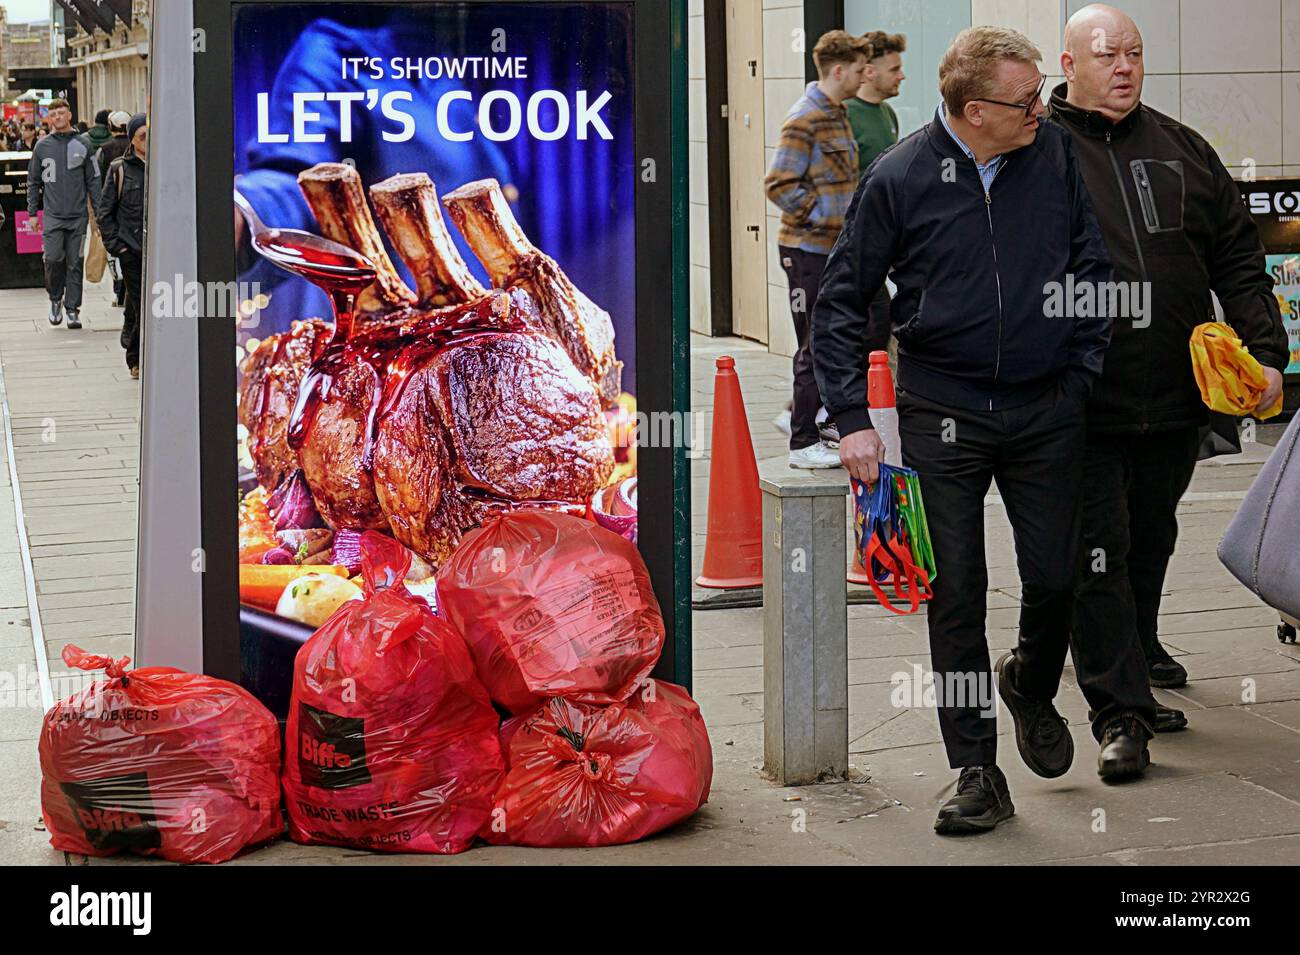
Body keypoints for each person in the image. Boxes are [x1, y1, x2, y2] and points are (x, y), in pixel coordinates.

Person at [815, 26, 1118, 833]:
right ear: (973, 109)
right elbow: (843, 299)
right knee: (956, 596)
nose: (1042, 114)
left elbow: (1092, 263)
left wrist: (1082, 368)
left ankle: (1027, 681)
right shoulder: (901, 176)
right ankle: (976, 767)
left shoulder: (1048, 155)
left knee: (1057, 579)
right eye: (1026, 102)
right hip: (943, 411)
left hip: (1048, 406)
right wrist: (851, 419)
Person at [1049, 6, 1288, 726]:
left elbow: (1241, 260)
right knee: (1101, 541)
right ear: (1069, 66)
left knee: (1153, 529)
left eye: (1135, 53)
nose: (1124, 67)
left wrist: (1268, 355)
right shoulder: (1038, 152)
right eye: (1106, 54)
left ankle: (1137, 640)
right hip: (1082, 394)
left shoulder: (1182, 148)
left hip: (1176, 394)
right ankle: (1121, 705)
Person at [765, 30, 868, 469]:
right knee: (814, 343)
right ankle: (802, 440)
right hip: (807, 250)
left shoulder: (837, 113)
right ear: (839, 70)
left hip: (831, 248)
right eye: (861, 69)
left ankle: (813, 424)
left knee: (829, 338)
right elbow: (778, 184)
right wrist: (823, 214)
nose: (866, 76)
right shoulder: (805, 119)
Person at [26, 99, 101, 330]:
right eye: (54, 113)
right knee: (53, 259)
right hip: (52, 216)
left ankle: (72, 310)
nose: (58, 117)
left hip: (77, 217)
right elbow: (33, 181)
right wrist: (32, 213)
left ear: (69, 115)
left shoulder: (83, 144)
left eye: (62, 112)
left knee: (75, 263)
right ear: (50, 118)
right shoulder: (41, 146)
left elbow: (94, 181)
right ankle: (55, 298)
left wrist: (98, 216)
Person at [98, 113, 147, 380]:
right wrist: (118, 246)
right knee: (144, 305)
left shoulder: (163, 166)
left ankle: (132, 343)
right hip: (131, 249)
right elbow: (105, 212)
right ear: (132, 139)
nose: (148, 141)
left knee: (141, 305)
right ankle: (136, 358)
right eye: (142, 136)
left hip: (160, 251)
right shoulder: (120, 168)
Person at [97, 111, 134, 309]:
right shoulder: (138, 148)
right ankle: (125, 292)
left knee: (115, 253)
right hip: (132, 209)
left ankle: (118, 290)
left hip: (112, 208)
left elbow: (98, 180)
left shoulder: (104, 150)